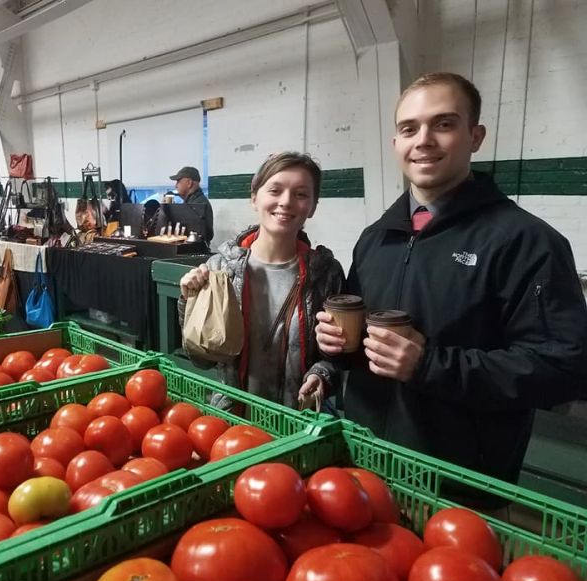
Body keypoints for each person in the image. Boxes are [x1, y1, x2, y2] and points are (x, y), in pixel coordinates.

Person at [315, 72, 587, 504]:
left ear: (475, 136)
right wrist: (336, 346)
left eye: (443, 124)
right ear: (396, 144)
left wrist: (430, 365)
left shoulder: (525, 242)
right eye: (409, 128)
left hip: (461, 486)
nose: (423, 140)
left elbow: (563, 368)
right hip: (365, 466)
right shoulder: (376, 237)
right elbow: (362, 338)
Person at [179, 152, 344, 411]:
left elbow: (337, 357)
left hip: (298, 423)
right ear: (255, 197)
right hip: (233, 422)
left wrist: (320, 374)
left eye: (301, 194)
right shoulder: (221, 271)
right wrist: (188, 301)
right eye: (275, 190)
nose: (286, 202)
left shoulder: (326, 274)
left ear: (312, 206)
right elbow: (202, 359)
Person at [169, 166, 214, 243]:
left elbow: (205, 235)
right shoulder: (191, 202)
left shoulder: (198, 205)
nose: (176, 186)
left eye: (178, 181)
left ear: (189, 183)